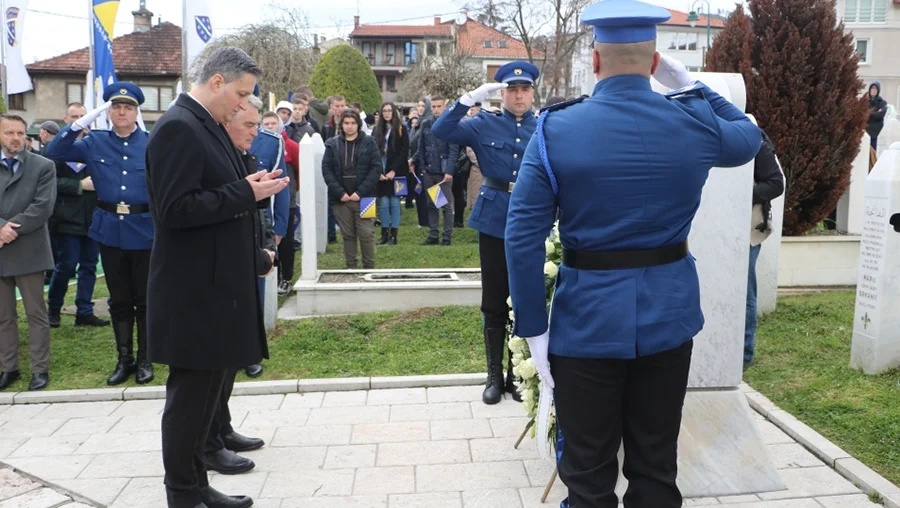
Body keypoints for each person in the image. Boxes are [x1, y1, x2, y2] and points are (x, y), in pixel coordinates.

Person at [504, 1, 761, 505]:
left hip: (587, 324)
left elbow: (521, 236)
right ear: (653, 60)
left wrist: (533, 329)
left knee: (589, 475)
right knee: (655, 467)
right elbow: (749, 135)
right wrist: (688, 84)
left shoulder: (556, 128)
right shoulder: (694, 123)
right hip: (669, 318)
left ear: (595, 62)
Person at [146, 47, 287, 508]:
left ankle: (196, 483)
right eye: (241, 93)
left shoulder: (203, 125)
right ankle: (181, 494)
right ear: (217, 81)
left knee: (206, 399)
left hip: (215, 287)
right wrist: (244, 192)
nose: (243, 105)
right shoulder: (179, 128)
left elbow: (217, 193)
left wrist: (249, 191)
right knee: (188, 402)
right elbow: (175, 209)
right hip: (193, 292)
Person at [432, 62, 539, 404]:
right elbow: (442, 129)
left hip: (531, 218)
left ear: (533, 93)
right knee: (494, 299)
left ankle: (516, 374)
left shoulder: (545, 126)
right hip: (494, 218)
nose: (519, 95)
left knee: (525, 299)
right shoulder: (484, 123)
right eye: (512, 90)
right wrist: (468, 99)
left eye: (524, 90)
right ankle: (493, 375)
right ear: (503, 93)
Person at [46, 82, 155, 386]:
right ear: (107, 112)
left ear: (136, 112)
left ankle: (146, 359)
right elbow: (54, 151)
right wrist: (80, 123)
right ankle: (125, 360)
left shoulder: (151, 142)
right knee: (119, 300)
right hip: (109, 230)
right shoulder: (94, 141)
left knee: (144, 300)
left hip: (144, 228)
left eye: (128, 107)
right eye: (116, 107)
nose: (122, 112)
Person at [204, 95, 275, 477]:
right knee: (216, 362)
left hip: (243, 265)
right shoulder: (216, 159)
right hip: (220, 273)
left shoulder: (243, 157)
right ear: (228, 121)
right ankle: (209, 441)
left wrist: (264, 249)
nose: (254, 133)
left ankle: (222, 428)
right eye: (248, 126)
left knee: (230, 360)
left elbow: (251, 213)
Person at [0, 114, 56, 392]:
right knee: (3, 315)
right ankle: (8, 367)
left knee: (36, 313)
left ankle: (39, 369)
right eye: (9, 132)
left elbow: (42, 207)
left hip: (29, 249)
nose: (15, 138)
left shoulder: (43, 166)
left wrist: (10, 230)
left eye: (20, 133)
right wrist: (0, 228)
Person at [43, 106, 109, 330]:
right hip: (66, 218)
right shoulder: (56, 150)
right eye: (74, 117)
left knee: (89, 265)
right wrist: (79, 186)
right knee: (66, 265)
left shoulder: (94, 146)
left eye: (83, 117)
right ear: (65, 119)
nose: (80, 121)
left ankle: (84, 311)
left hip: (93, 218)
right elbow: (48, 183)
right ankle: (53, 308)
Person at [744, 130, 785, 370]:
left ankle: (745, 354)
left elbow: (776, 183)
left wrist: (744, 194)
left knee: (745, 291)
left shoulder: (755, 140)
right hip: (723, 226)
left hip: (749, 230)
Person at [321, 109, 381, 269]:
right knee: (348, 235)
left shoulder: (369, 142)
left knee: (367, 233)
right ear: (342, 125)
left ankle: (369, 266)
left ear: (358, 125)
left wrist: (359, 192)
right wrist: (340, 193)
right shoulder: (332, 144)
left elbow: (376, 168)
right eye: (346, 123)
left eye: (353, 123)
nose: (349, 126)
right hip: (341, 198)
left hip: (366, 196)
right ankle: (351, 268)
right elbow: (326, 169)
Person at [414, 96, 458, 246]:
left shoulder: (449, 124)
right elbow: (420, 149)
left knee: (445, 206)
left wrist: (449, 172)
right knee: (432, 204)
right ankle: (433, 235)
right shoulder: (426, 124)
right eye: (433, 106)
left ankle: (447, 237)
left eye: (439, 106)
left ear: (445, 107)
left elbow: (454, 150)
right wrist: (423, 169)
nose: (436, 109)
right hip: (429, 171)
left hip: (443, 172)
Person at [373, 102, 410, 245]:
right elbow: (373, 151)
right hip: (381, 170)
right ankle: (384, 233)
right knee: (383, 202)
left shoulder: (401, 129)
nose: (387, 113)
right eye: (384, 111)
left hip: (397, 171)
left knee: (394, 202)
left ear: (394, 112)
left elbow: (404, 151)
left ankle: (394, 235)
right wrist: (379, 172)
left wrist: (394, 170)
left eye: (389, 111)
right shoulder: (376, 130)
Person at [867, 82, 888, 151]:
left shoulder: (882, 103)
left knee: (873, 153)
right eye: (872, 88)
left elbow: (880, 115)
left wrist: (869, 113)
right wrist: (875, 113)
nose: (873, 90)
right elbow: (862, 114)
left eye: (875, 88)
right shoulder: (865, 102)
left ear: (878, 90)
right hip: (866, 132)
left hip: (876, 133)